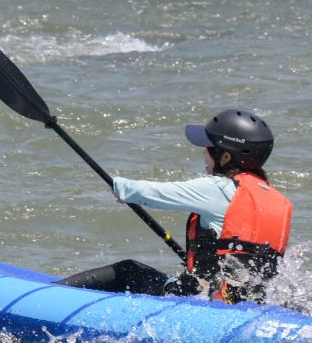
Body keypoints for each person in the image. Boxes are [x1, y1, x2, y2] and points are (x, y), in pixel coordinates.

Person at [59, 109, 293, 304]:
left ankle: (43, 296)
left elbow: (154, 193)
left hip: (202, 302)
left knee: (128, 270)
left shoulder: (219, 187)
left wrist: (121, 188)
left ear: (225, 158)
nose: (203, 154)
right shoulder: (278, 201)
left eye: (208, 148)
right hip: (250, 302)